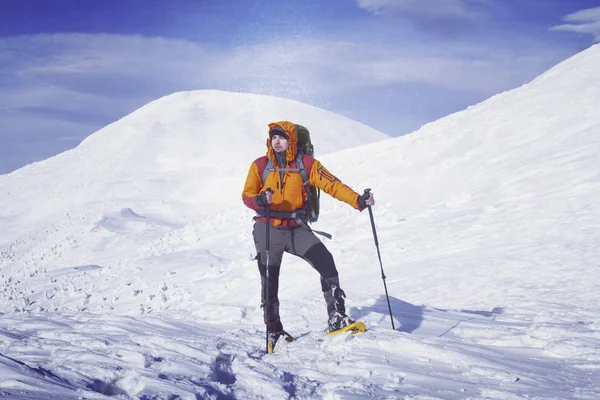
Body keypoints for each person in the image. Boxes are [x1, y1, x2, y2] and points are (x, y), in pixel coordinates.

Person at [241, 121, 375, 341]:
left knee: (326, 262)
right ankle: (273, 329)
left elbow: (333, 185)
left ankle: (337, 318)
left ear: (292, 141)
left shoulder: (307, 164)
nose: (277, 141)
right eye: (274, 137)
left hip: (296, 229)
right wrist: (258, 200)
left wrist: (358, 200)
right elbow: (247, 194)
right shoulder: (260, 165)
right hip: (267, 227)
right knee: (269, 278)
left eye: (282, 137)